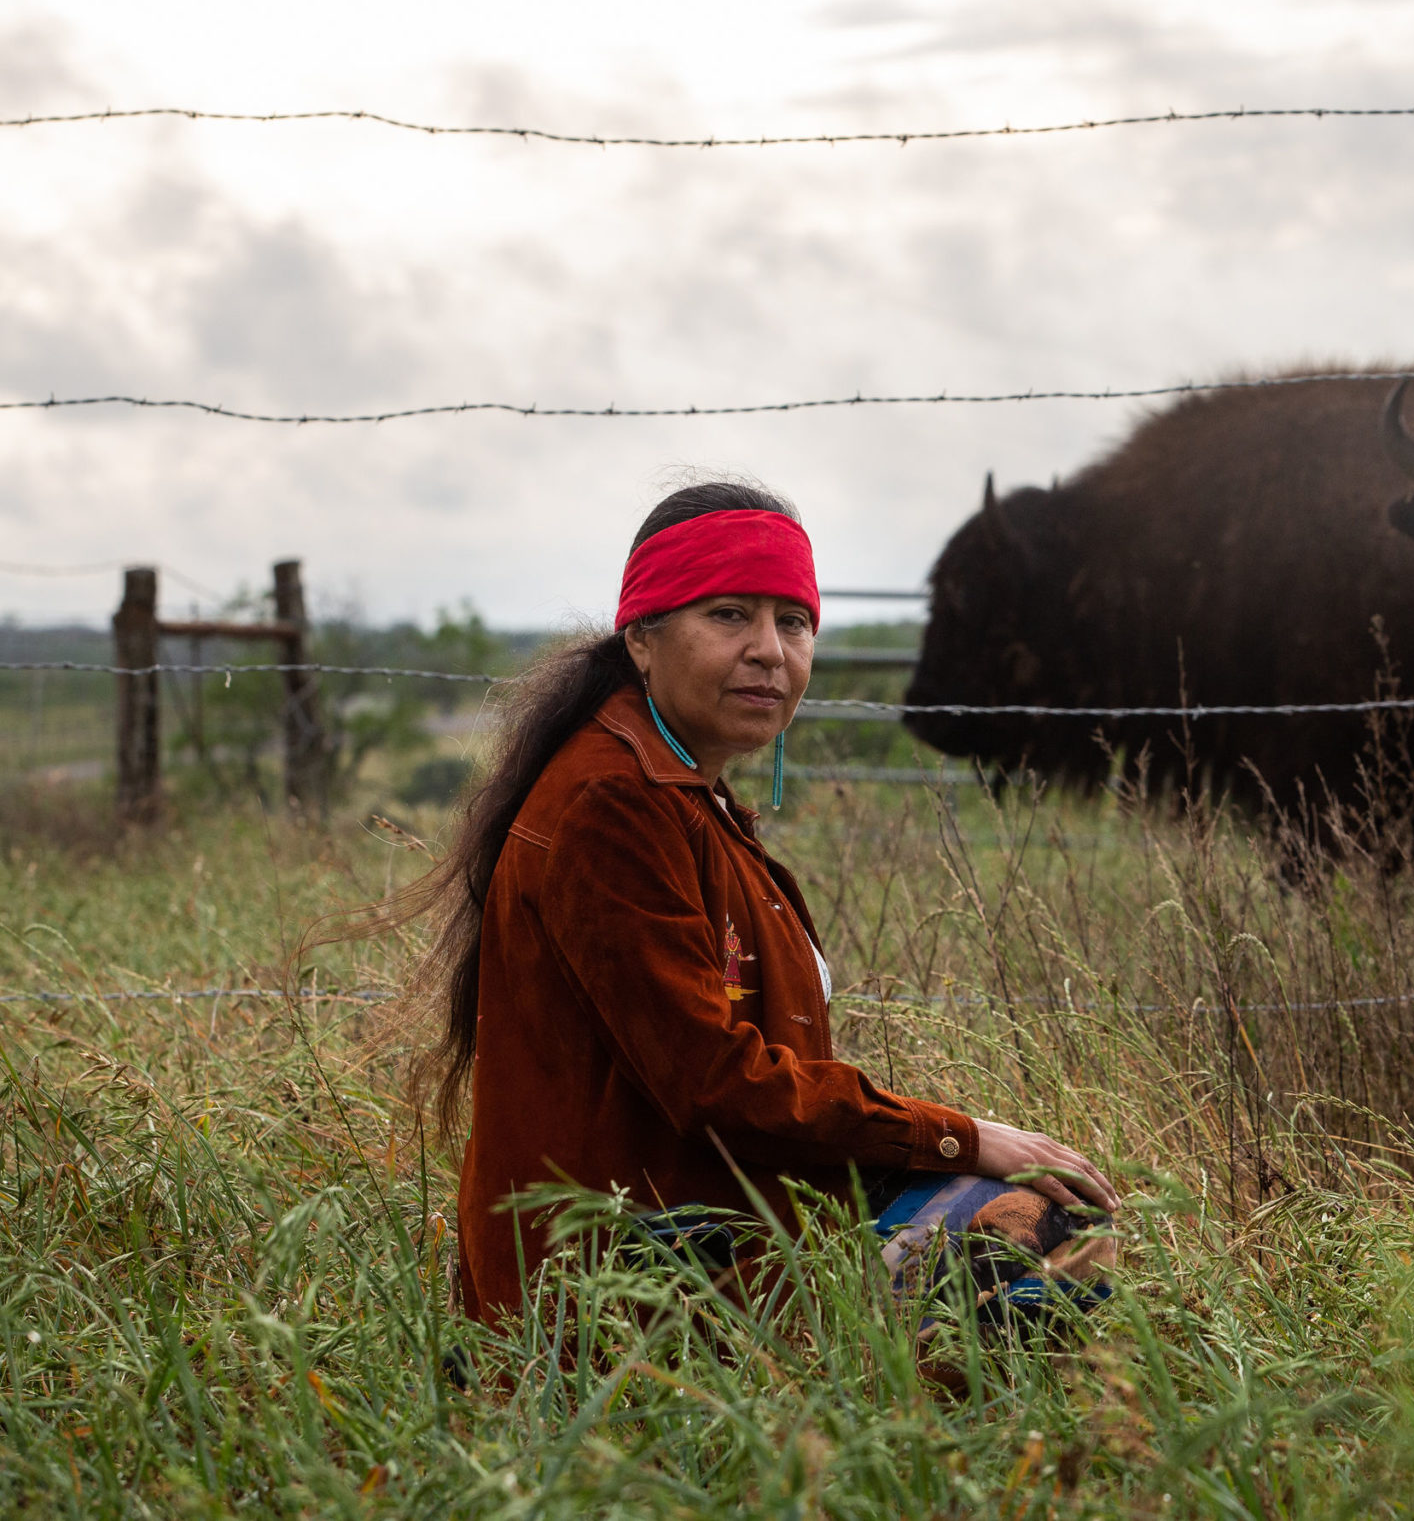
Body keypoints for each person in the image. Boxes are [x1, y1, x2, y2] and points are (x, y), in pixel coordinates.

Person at [406, 479, 1117, 1325]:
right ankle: (871, 1447)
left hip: (709, 1229)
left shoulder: (676, 788)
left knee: (1043, 1212)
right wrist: (958, 1135)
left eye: (793, 621)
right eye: (729, 615)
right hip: (623, 1291)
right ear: (641, 635)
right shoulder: (613, 806)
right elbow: (717, 1082)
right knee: (1033, 1242)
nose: (770, 651)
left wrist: (938, 1145)